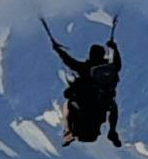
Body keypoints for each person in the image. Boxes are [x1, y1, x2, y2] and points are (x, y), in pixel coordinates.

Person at [46, 19, 126, 147]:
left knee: (68, 104)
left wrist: (58, 50)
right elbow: (118, 65)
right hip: (103, 104)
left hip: (84, 103)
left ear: (90, 55)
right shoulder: (108, 68)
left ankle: (68, 131)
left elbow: (68, 61)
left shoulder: (84, 68)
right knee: (113, 106)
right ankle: (112, 131)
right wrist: (114, 49)